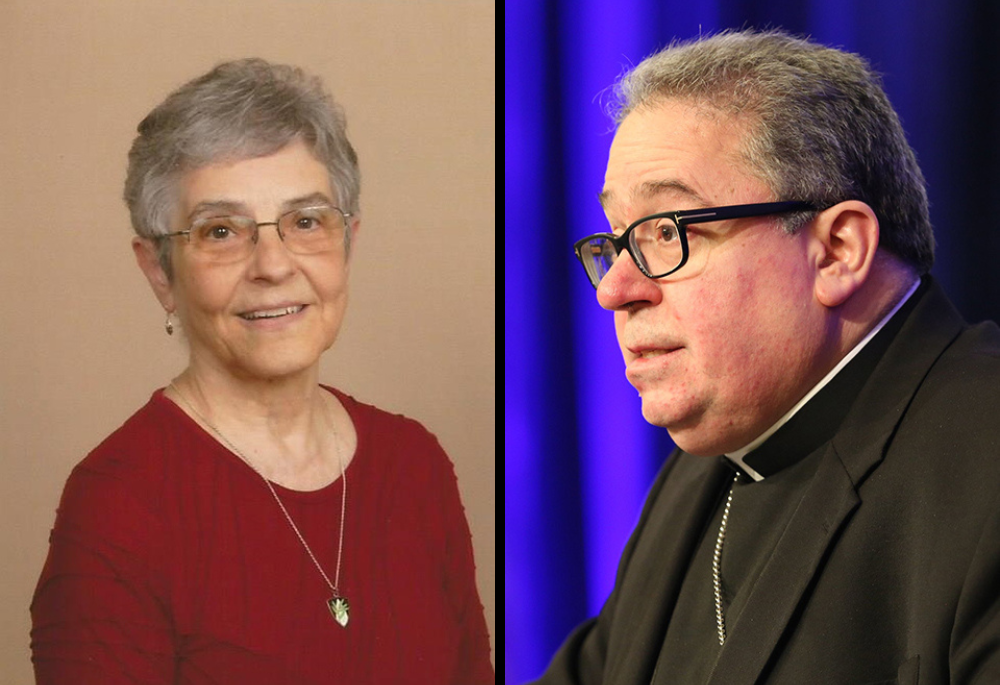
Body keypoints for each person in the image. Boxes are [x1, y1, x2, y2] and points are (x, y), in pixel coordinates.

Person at [535, 30, 1000, 684]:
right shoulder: (694, 482)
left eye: (667, 231)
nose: (615, 289)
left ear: (837, 250)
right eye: (616, 241)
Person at [30, 58, 494, 684]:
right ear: (160, 271)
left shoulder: (415, 464)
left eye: (306, 221)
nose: (272, 265)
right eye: (221, 230)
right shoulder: (119, 505)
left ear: (348, 241)